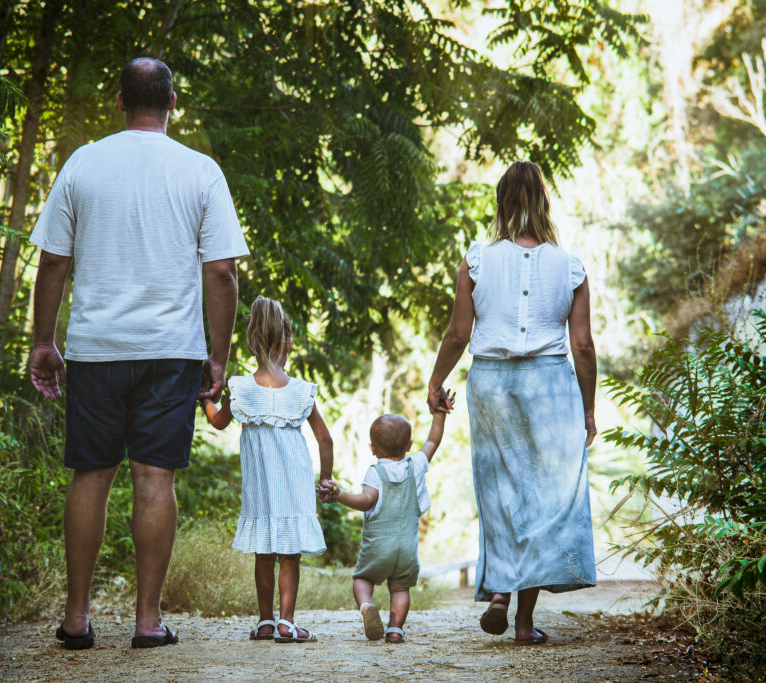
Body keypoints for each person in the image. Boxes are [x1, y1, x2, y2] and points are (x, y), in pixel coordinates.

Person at [28, 57, 249, 650]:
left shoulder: (83, 162)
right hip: (171, 352)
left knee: (91, 474)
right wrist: (218, 357)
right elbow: (222, 272)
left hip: (96, 349)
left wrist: (44, 342)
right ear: (173, 101)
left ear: (120, 101)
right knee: (155, 478)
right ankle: (148, 623)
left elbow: (53, 262)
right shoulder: (200, 171)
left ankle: (76, 620)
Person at [426, 160, 598, 645]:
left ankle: (500, 588)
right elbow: (583, 346)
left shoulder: (477, 260)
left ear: (501, 202)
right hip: (551, 386)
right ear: (544, 202)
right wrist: (588, 409)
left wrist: (436, 381)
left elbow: (458, 334)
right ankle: (523, 623)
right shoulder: (570, 266)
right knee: (543, 497)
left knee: (500, 491)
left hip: (492, 384)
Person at [200, 296, 334, 643]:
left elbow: (218, 422)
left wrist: (206, 400)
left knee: (264, 552)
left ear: (249, 344)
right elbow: (325, 440)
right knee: (290, 555)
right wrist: (326, 478)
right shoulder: (301, 391)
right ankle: (287, 623)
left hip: (260, 488)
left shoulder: (240, 388)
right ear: (289, 343)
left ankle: (264, 621)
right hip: (295, 486)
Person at [319, 393, 454, 644]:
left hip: (378, 548)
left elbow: (365, 501)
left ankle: (367, 605)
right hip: (407, 550)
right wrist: (440, 413)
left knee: (362, 578)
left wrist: (339, 494)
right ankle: (395, 629)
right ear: (409, 445)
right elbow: (433, 441)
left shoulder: (375, 473)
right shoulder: (416, 465)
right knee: (400, 588)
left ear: (372, 448)